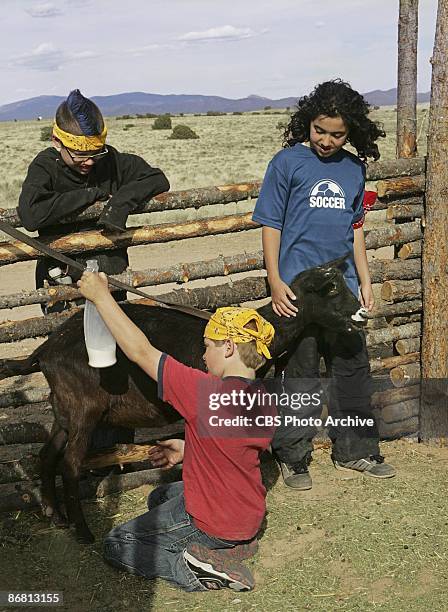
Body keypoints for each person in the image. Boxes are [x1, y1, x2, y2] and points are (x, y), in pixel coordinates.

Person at [78, 268, 276, 592]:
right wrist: (187, 449)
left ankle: (193, 566)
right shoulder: (263, 398)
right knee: (159, 496)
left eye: (207, 345)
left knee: (118, 542)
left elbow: (141, 351)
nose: (202, 354)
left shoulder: (205, 391)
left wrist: (100, 297)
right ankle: (234, 545)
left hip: (213, 522)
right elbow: (233, 451)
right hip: (246, 514)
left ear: (228, 347)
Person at [252, 79, 396, 490]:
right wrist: (275, 281)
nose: (327, 141)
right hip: (298, 290)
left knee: (352, 368)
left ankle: (357, 451)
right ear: (307, 123)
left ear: (352, 132)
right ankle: (294, 458)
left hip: (342, 290)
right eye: (320, 130)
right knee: (300, 375)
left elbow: (355, 231)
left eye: (337, 134)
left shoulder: (354, 169)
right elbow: (271, 225)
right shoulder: (286, 164)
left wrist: (365, 281)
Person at [18, 89, 169, 451]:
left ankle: (117, 441)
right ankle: (76, 444)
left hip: (108, 277)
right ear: (58, 142)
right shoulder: (45, 166)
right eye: (80, 155)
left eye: (94, 154)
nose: (88, 162)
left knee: (115, 358)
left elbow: (157, 178)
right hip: (64, 281)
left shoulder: (112, 161)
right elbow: (30, 214)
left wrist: (119, 203)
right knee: (71, 363)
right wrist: (91, 197)